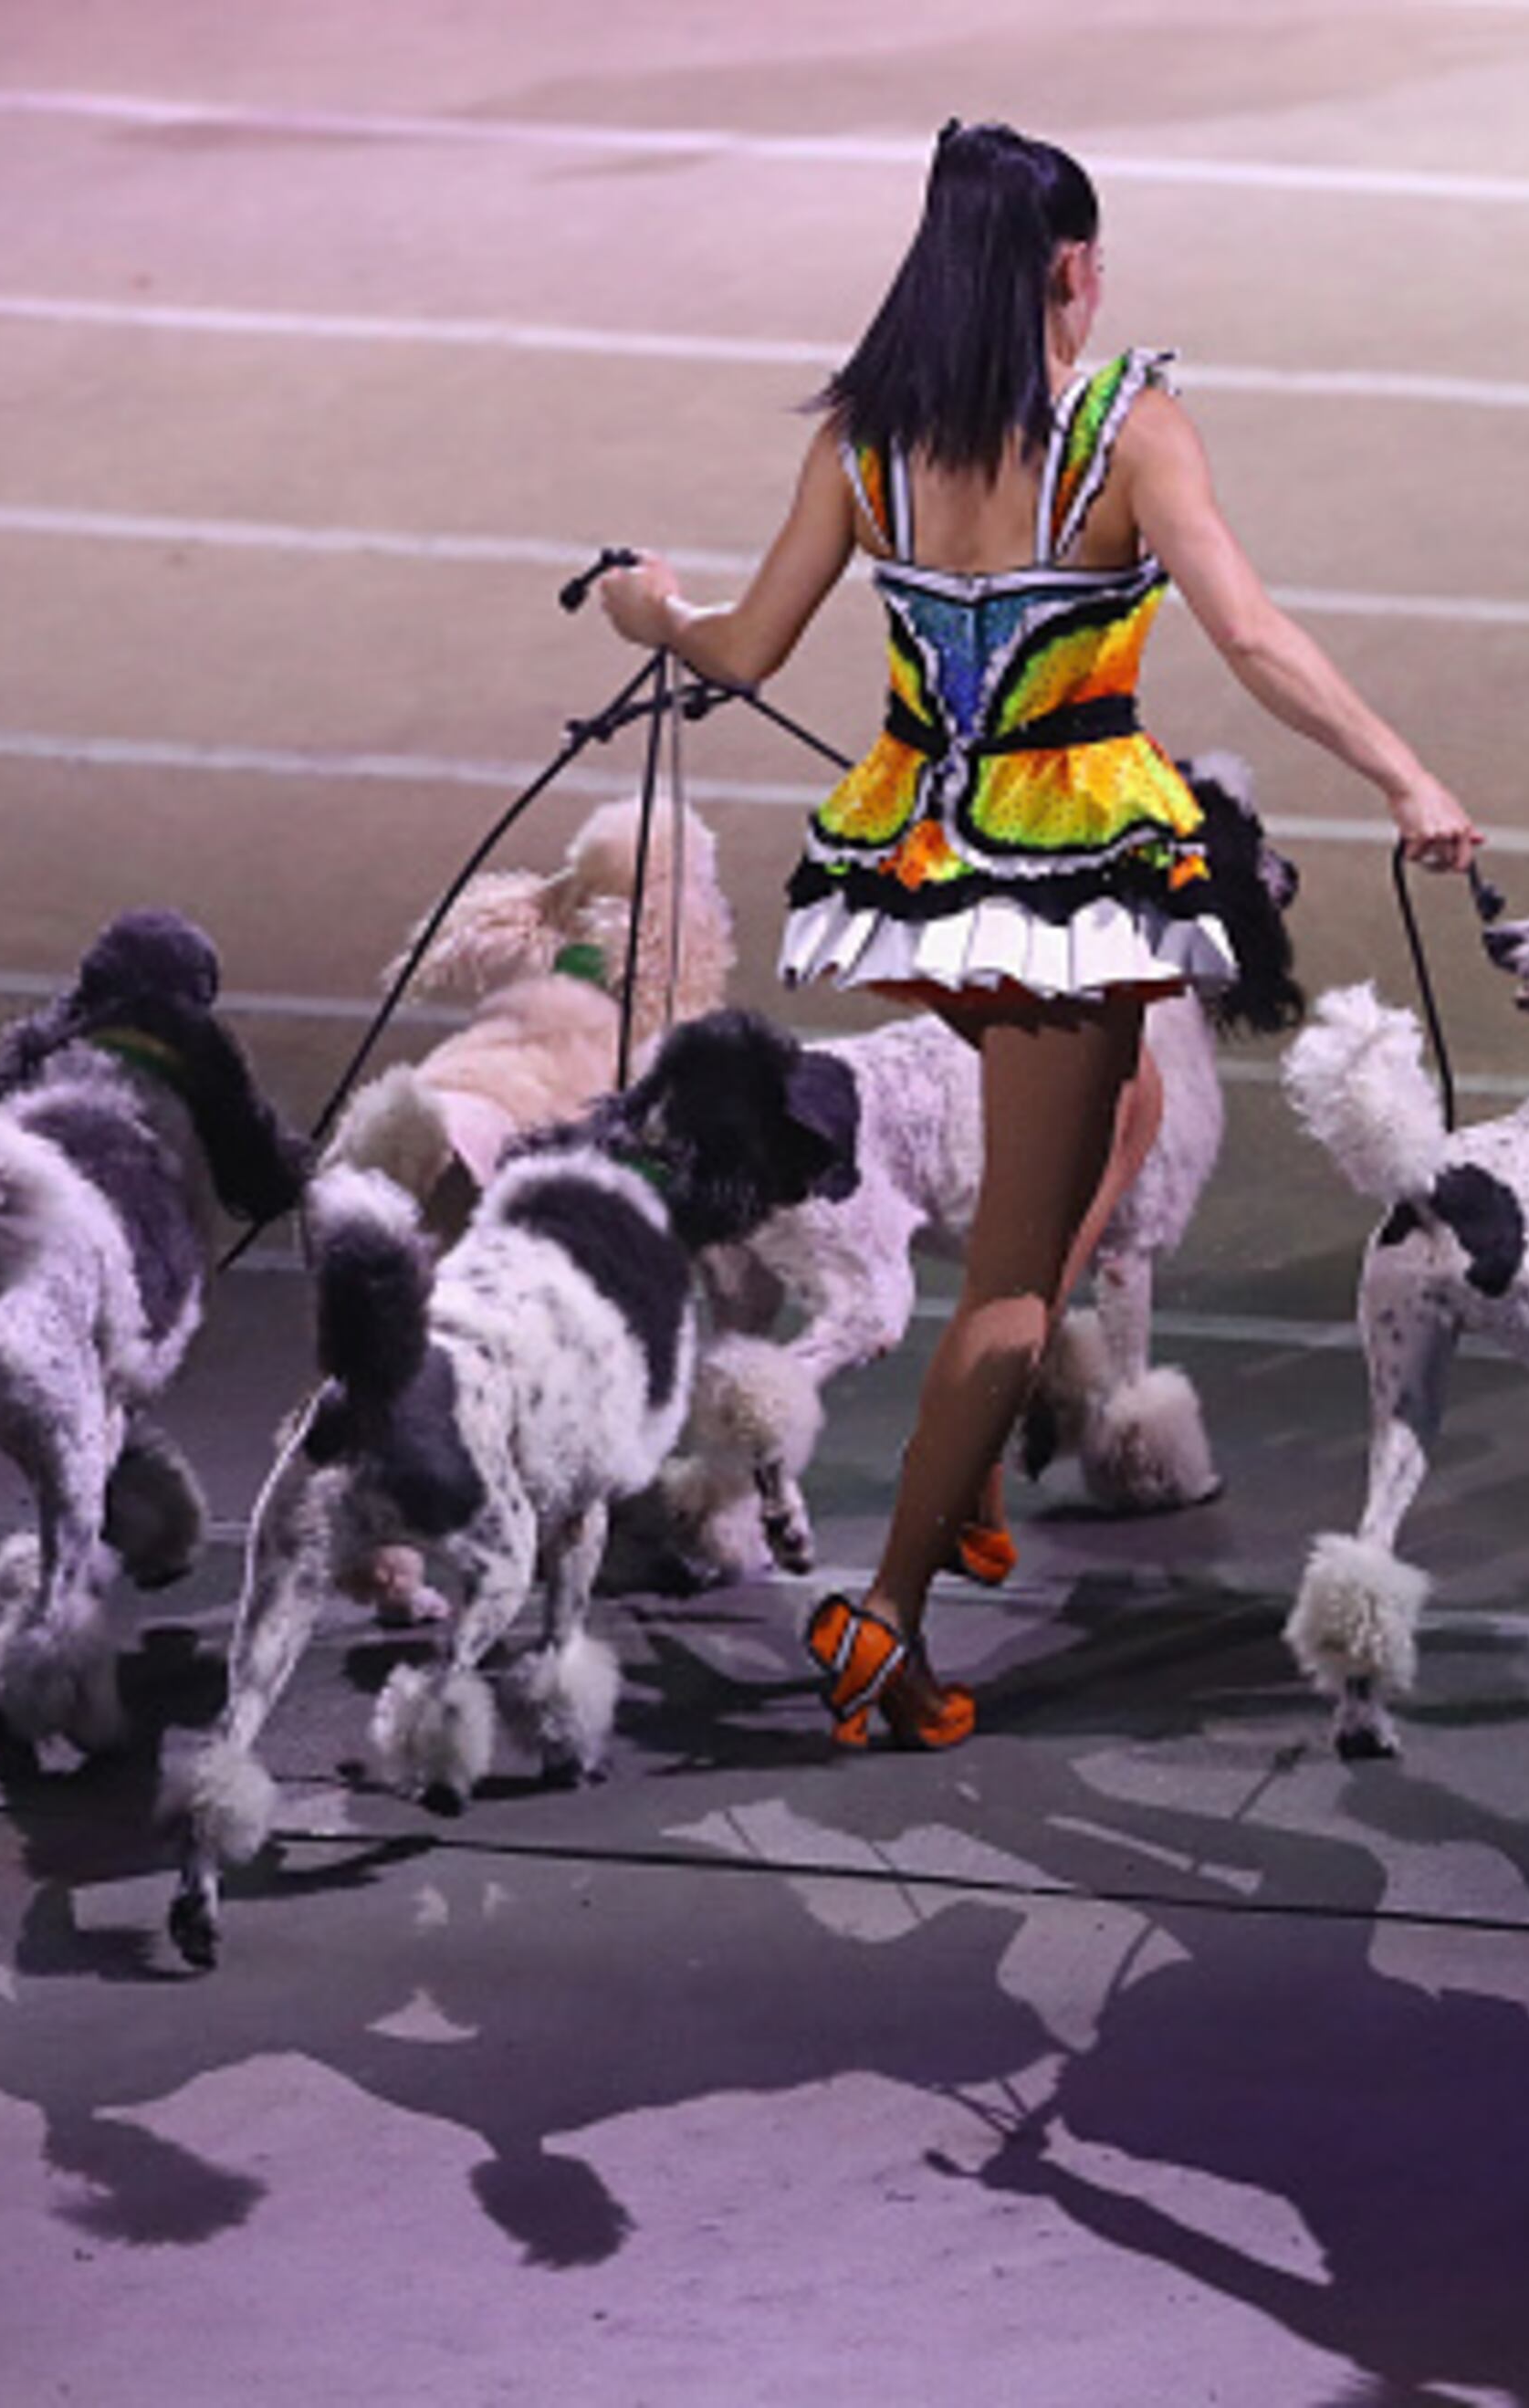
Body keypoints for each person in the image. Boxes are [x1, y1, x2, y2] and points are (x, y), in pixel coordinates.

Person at [598, 119, 1482, 1750]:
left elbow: (741, 645)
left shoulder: (867, 440)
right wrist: (1406, 774)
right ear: (1071, 269)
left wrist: (650, 607)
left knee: (1127, 1114)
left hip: (921, 868)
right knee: (1010, 1273)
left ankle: (982, 1441)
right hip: (1064, 887)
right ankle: (893, 1613)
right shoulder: (1126, 431)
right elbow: (1254, 632)